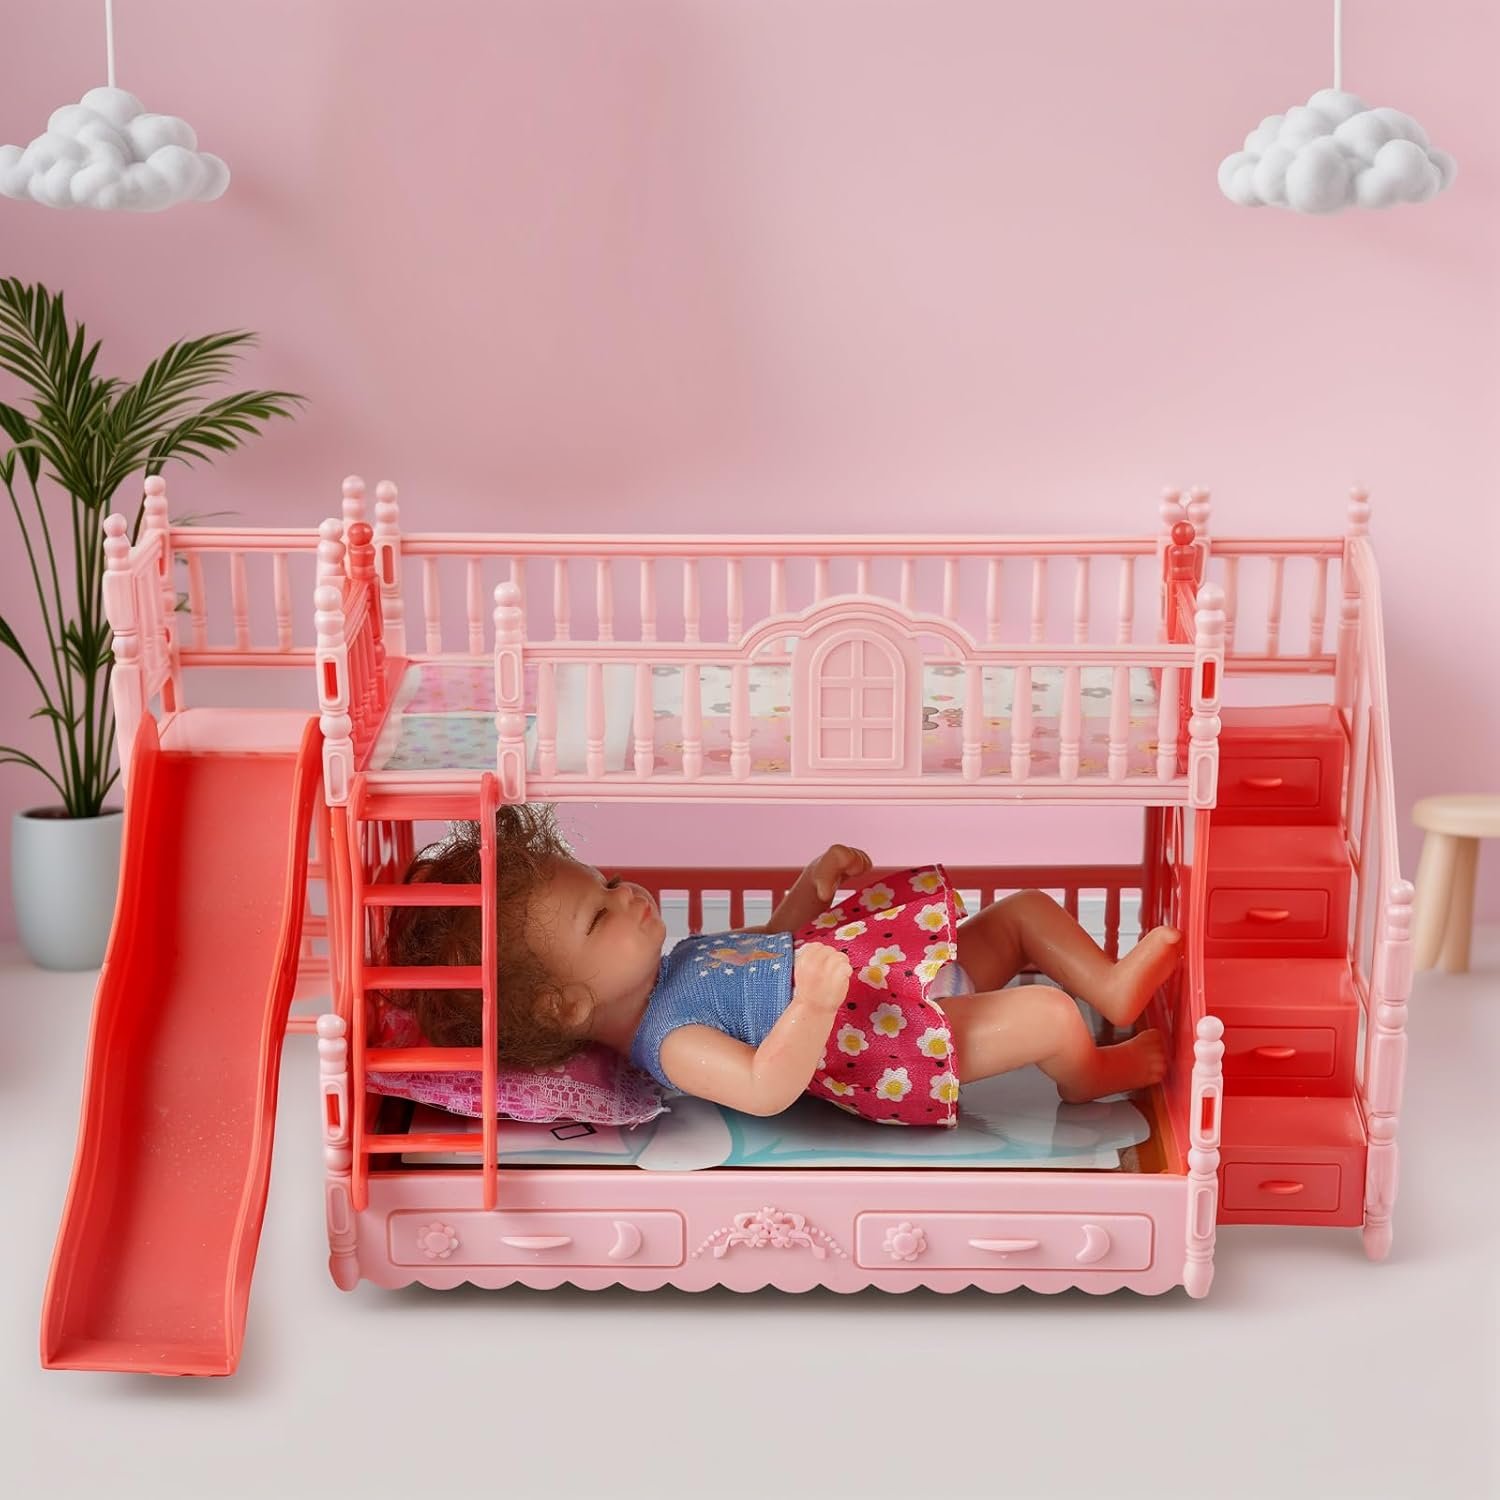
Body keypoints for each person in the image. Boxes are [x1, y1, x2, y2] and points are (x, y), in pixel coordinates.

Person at [385, 807, 1178, 1127]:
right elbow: (765, 1087)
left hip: (895, 977)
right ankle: (1087, 1074)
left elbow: (767, 940)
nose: (627, 896)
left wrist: (810, 887)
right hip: (892, 1042)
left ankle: (1112, 986)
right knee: (1049, 1017)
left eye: (608, 882)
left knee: (1025, 911)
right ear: (564, 1006)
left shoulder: (678, 961)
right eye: (600, 915)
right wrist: (813, 1007)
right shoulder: (669, 1040)